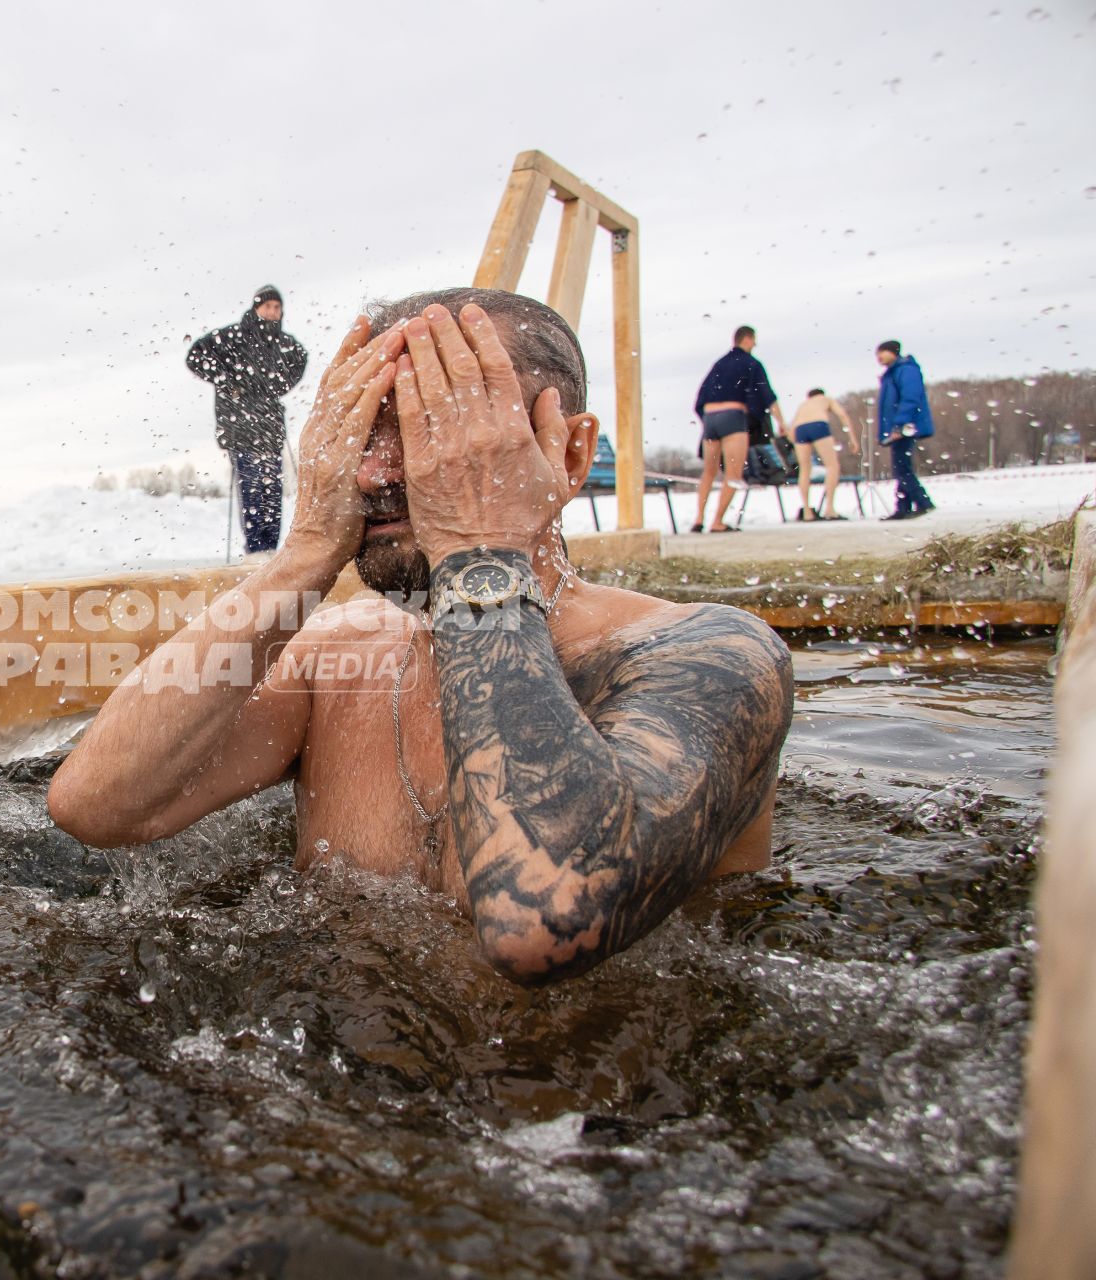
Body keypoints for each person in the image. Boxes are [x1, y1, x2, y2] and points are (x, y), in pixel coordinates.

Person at [49, 288, 793, 987]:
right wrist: (305, 552)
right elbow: (100, 808)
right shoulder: (336, 660)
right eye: (358, 435)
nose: (373, 475)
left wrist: (478, 545)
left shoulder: (706, 652)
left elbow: (544, 921)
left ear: (565, 455)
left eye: (429, 431)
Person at [186, 285, 307, 554]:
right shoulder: (233, 336)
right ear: (256, 308)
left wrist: (278, 386)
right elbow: (195, 355)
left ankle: (270, 552)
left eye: (277, 307)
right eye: (268, 307)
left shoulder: (283, 343)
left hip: (269, 429)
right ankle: (255, 552)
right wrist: (227, 381)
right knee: (252, 491)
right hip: (240, 428)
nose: (272, 312)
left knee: (272, 494)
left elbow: (302, 358)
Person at [690, 325, 786, 533]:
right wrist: (782, 423)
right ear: (748, 339)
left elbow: (701, 396)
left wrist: (708, 419)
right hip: (733, 417)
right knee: (734, 474)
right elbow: (768, 396)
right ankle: (717, 522)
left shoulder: (719, 364)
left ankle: (699, 519)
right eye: (754, 341)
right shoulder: (752, 363)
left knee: (709, 472)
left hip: (710, 418)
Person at [874, 340, 936, 521]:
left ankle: (923, 502)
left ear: (894, 352)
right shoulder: (892, 372)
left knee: (902, 467)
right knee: (901, 466)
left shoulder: (905, 369)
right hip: (899, 426)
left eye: (882, 352)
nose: (879, 357)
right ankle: (903, 507)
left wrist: (899, 425)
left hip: (905, 427)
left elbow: (910, 397)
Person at [787, 387, 861, 521]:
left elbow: (791, 432)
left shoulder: (803, 405)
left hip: (800, 429)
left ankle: (807, 512)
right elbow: (842, 414)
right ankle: (830, 509)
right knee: (832, 466)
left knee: (804, 469)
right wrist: (852, 438)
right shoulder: (826, 399)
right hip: (818, 426)